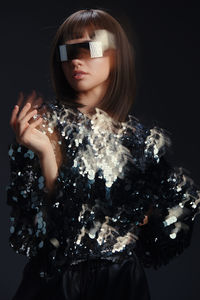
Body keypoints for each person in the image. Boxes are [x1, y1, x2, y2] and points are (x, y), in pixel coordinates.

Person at [6, 8, 200, 300]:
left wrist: (144, 214)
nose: (76, 59)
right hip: (54, 284)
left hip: (120, 283)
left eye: (90, 47)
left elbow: (178, 211)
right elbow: (47, 233)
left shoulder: (141, 142)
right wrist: (47, 153)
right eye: (67, 50)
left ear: (116, 55)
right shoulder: (40, 130)